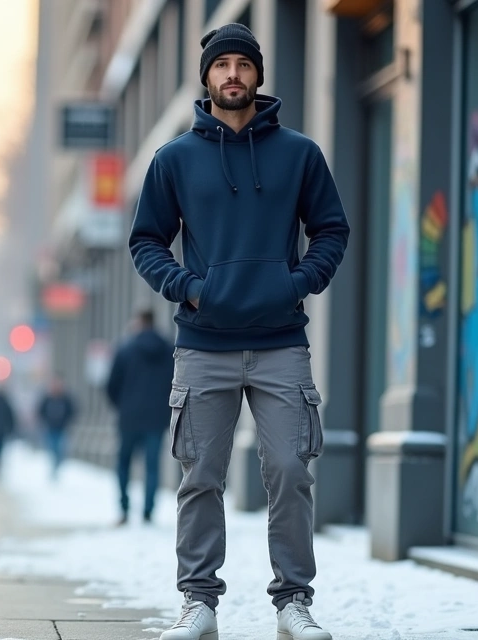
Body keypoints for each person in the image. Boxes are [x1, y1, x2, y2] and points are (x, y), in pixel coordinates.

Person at [128, 23, 349, 640]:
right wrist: (191, 288)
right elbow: (146, 240)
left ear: (258, 74)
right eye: (221, 64)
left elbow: (331, 230)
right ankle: (198, 604)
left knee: (290, 471)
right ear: (206, 76)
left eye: (243, 65)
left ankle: (293, 605)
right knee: (199, 477)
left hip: (282, 342)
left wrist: (296, 283)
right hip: (203, 346)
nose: (232, 75)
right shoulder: (173, 159)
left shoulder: (300, 154)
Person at [106, 308, 173, 526]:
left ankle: (124, 508)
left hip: (129, 417)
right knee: (152, 466)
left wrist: (122, 406)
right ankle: (148, 511)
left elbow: (111, 385)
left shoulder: (125, 349)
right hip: (156, 417)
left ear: (138, 322)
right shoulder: (167, 349)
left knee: (124, 463)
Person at [37, 375, 76, 480]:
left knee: (61, 450)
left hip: (62, 429)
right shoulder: (47, 398)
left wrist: (68, 421)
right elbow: (40, 411)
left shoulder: (66, 398)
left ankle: (57, 465)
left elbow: (72, 411)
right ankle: (54, 467)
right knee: (52, 449)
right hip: (50, 428)